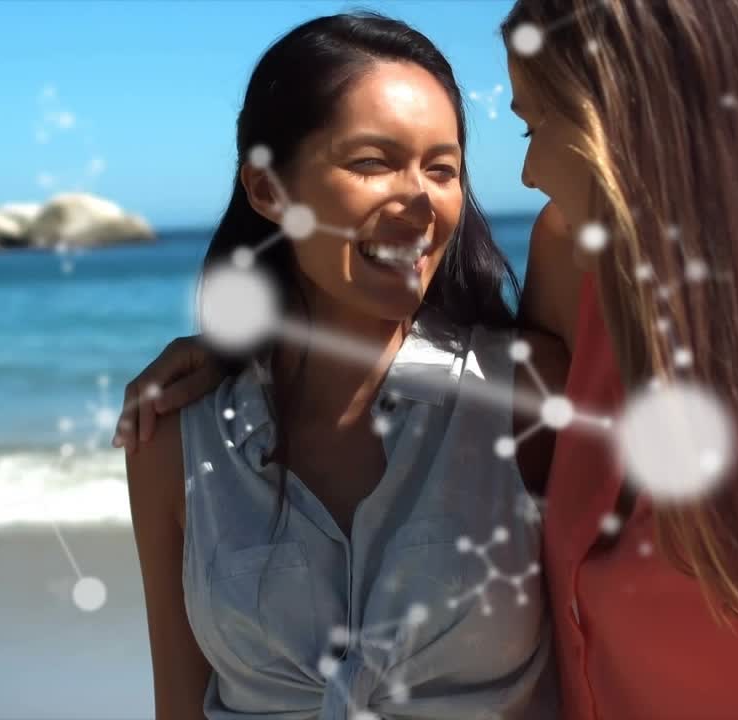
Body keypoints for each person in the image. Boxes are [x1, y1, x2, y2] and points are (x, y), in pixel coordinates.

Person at [120, 1, 738, 718]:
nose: (524, 174)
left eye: (533, 127)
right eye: (374, 161)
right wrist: (231, 348)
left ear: (628, 131)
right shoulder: (584, 293)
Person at [122, 12, 566, 719]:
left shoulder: (524, 395)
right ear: (267, 190)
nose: (420, 199)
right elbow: (177, 702)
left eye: (443, 169)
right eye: (372, 162)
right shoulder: (176, 438)